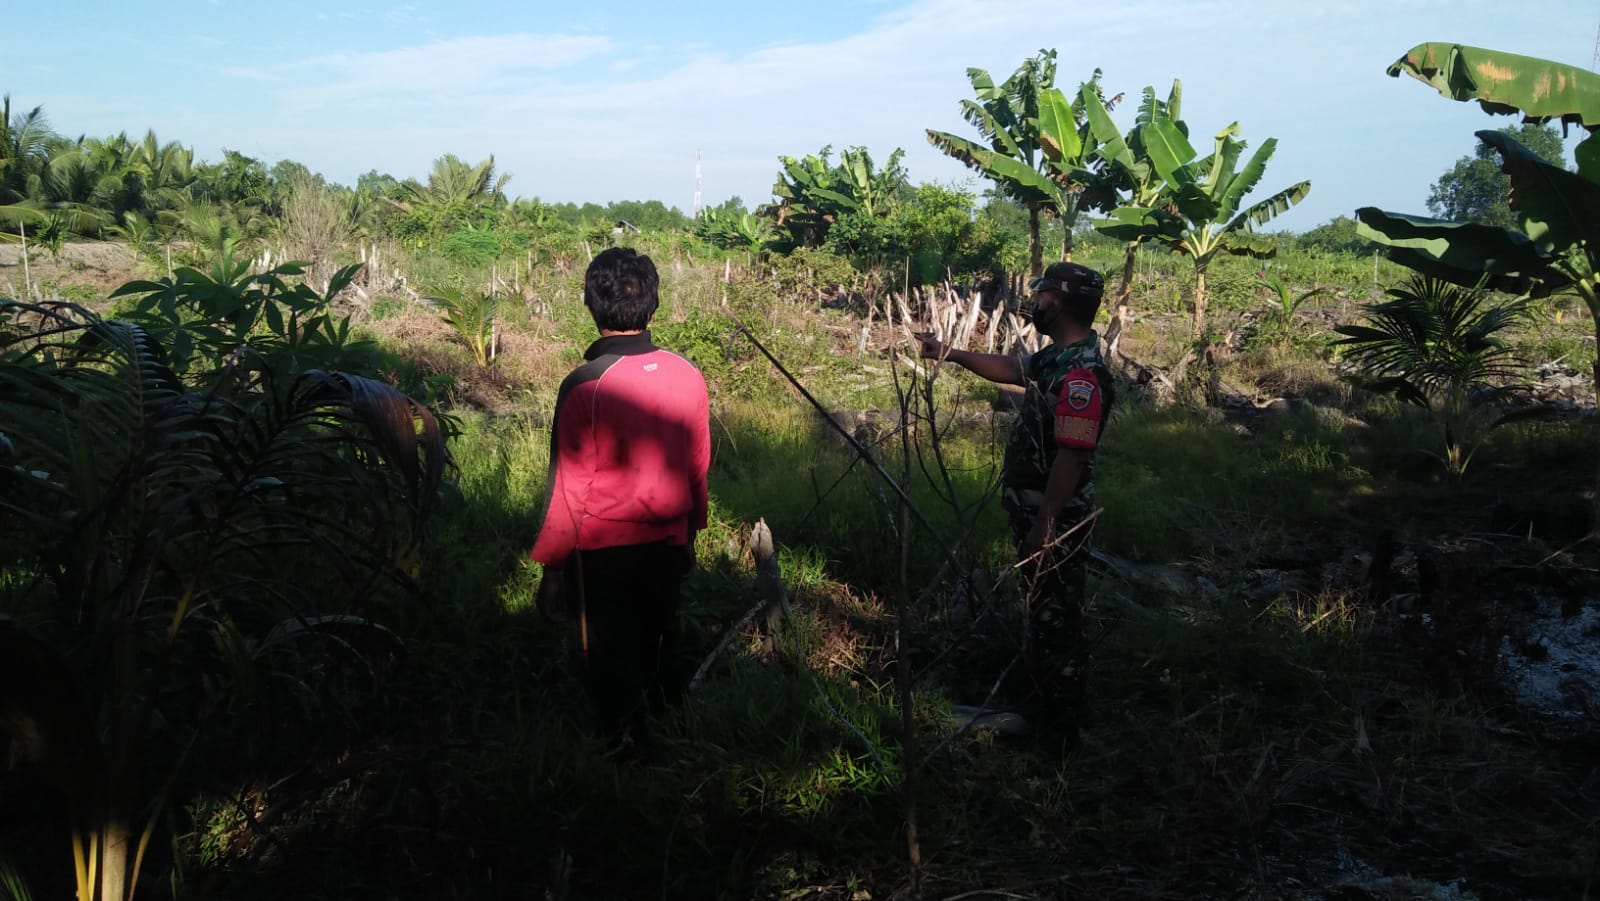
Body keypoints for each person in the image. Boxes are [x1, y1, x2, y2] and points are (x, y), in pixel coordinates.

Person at [916, 261, 1114, 742]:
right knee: (1042, 612)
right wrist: (951, 353)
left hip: (1056, 521)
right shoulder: (1055, 359)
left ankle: (1060, 732)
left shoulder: (1083, 374)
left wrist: (1046, 525)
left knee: (1057, 621)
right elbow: (1011, 368)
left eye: (1043, 296)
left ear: (1060, 302)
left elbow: (1071, 457)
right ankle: (1038, 706)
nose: (1036, 303)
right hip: (1037, 513)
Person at [531, 247, 711, 756]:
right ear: (654, 308)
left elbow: (569, 488)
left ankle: (620, 752)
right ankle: (660, 740)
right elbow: (697, 466)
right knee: (656, 642)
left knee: (608, 659)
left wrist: (552, 571)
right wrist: (691, 534)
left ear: (590, 307)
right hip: (669, 543)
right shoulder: (688, 374)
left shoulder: (585, 386)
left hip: (602, 556)